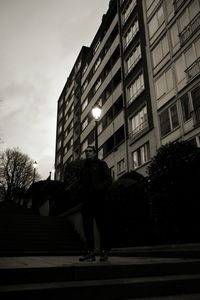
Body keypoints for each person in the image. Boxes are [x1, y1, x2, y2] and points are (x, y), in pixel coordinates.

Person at [79, 145, 112, 262]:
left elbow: (108, 180)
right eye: (86, 151)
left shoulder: (101, 164)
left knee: (102, 226)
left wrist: (97, 189)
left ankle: (104, 252)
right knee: (87, 228)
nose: (87, 153)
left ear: (95, 153)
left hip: (99, 201)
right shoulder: (83, 168)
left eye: (90, 151)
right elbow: (80, 184)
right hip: (86, 202)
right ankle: (90, 252)